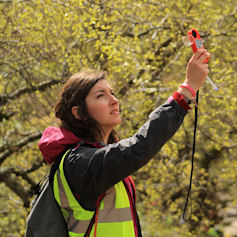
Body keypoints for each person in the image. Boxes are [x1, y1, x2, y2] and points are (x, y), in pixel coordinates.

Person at [39, 48, 211, 237]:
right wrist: (186, 90)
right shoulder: (78, 162)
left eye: (112, 93)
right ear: (78, 113)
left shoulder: (94, 157)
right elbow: (138, 148)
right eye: (100, 95)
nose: (114, 100)